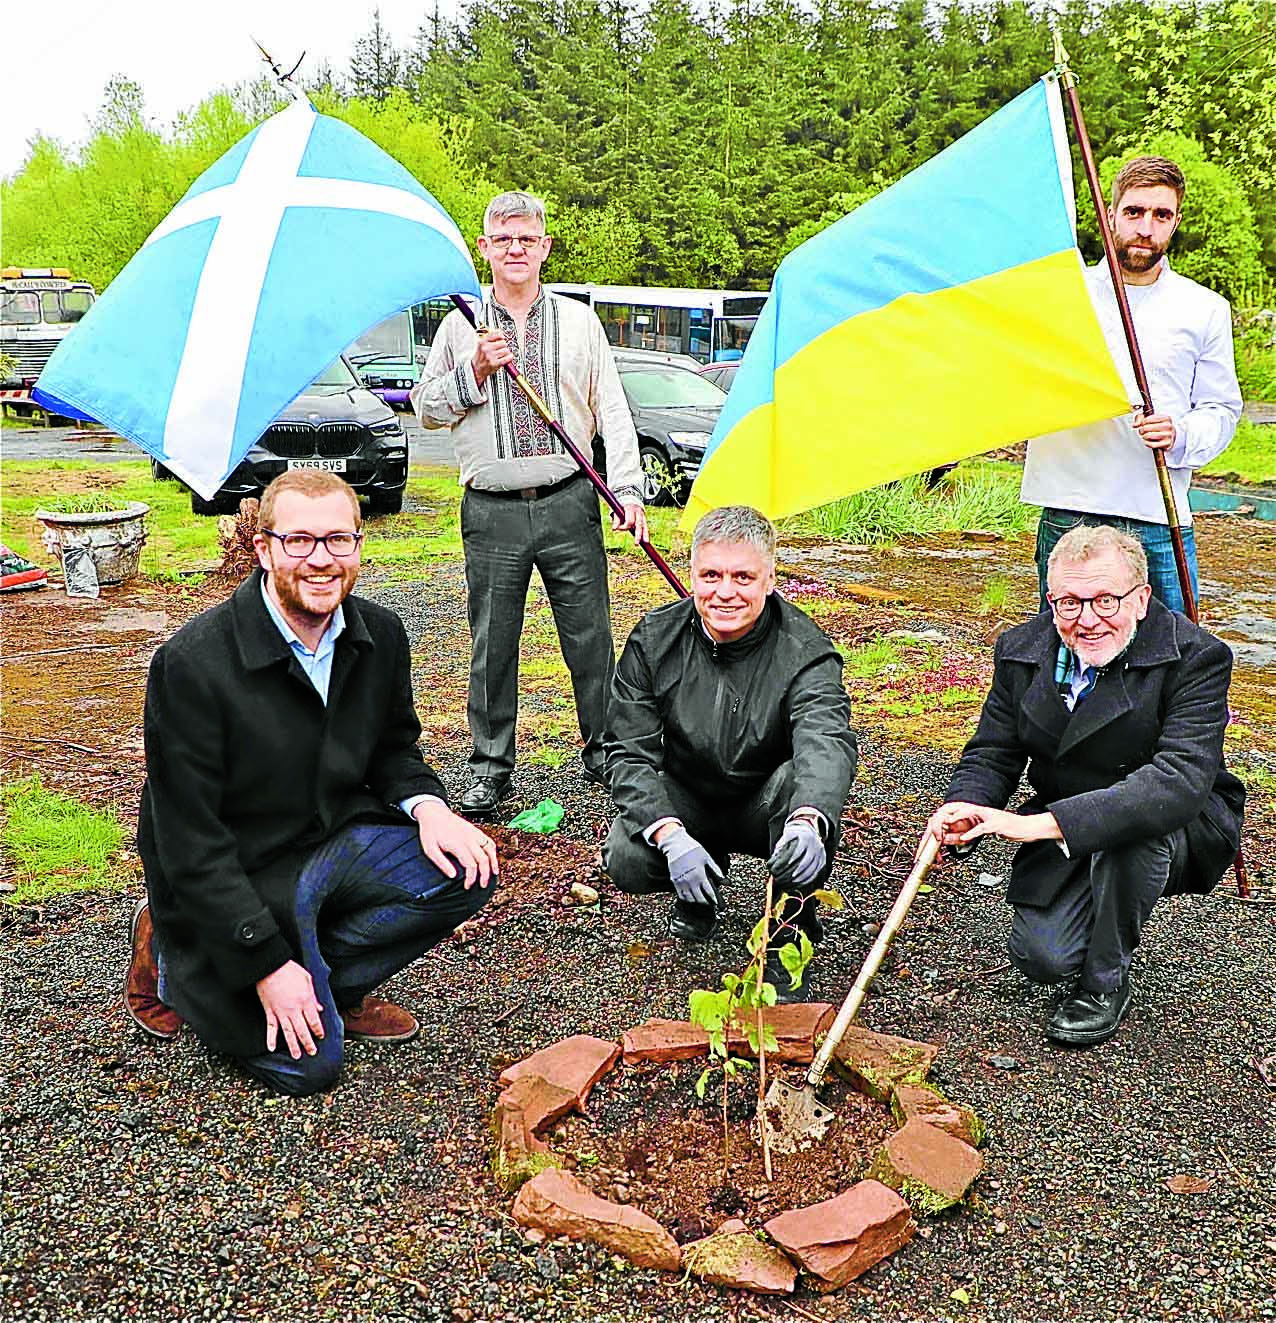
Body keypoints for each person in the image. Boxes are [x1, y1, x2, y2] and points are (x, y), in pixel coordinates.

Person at [126, 472, 497, 1095]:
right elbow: (189, 843)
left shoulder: (379, 635)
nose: (321, 559)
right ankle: (169, 953)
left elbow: (392, 751)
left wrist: (432, 809)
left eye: (338, 539)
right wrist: (266, 964)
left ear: (358, 544)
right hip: (241, 866)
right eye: (299, 540)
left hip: (330, 840)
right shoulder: (193, 664)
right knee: (311, 1069)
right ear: (263, 547)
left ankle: (329, 980)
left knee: (467, 867)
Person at [926, 524, 1244, 1047]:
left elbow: (1177, 782)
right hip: (1069, 808)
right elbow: (994, 750)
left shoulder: (1198, 658)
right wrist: (967, 805)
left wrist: (1035, 826)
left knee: (1134, 830)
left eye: (1105, 600)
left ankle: (1105, 982)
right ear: (1050, 599)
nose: (1087, 620)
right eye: (1069, 603)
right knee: (1043, 959)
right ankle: (1094, 901)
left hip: (1182, 819)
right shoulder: (1021, 650)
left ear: (1142, 599)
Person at [412, 190, 647, 816]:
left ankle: (606, 752)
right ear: (485, 248)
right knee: (493, 642)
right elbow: (426, 408)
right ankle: (489, 767)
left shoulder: (580, 322)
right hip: (491, 509)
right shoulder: (459, 325)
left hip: (571, 499)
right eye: (503, 238)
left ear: (544, 247)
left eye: (528, 238)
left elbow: (613, 411)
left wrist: (627, 490)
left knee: (591, 635)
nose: (516, 248)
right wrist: (477, 372)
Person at [602, 506, 857, 1000]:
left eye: (743, 576)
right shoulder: (654, 640)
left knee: (803, 802)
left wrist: (809, 818)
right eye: (711, 575)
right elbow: (626, 751)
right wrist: (671, 835)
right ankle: (696, 889)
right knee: (627, 854)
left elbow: (825, 739)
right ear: (692, 574)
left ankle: (790, 932)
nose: (725, 591)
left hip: (764, 802)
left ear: (770, 579)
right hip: (690, 798)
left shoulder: (806, 651)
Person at [1022, 155, 1242, 612]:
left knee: (1174, 655)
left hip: (1158, 509)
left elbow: (1221, 409)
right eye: (1134, 212)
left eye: (1161, 215)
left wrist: (1180, 434)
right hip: (1071, 501)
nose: (1146, 227)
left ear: (1176, 221)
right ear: (1110, 215)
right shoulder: (1061, 296)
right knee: (1065, 651)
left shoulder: (1204, 309)